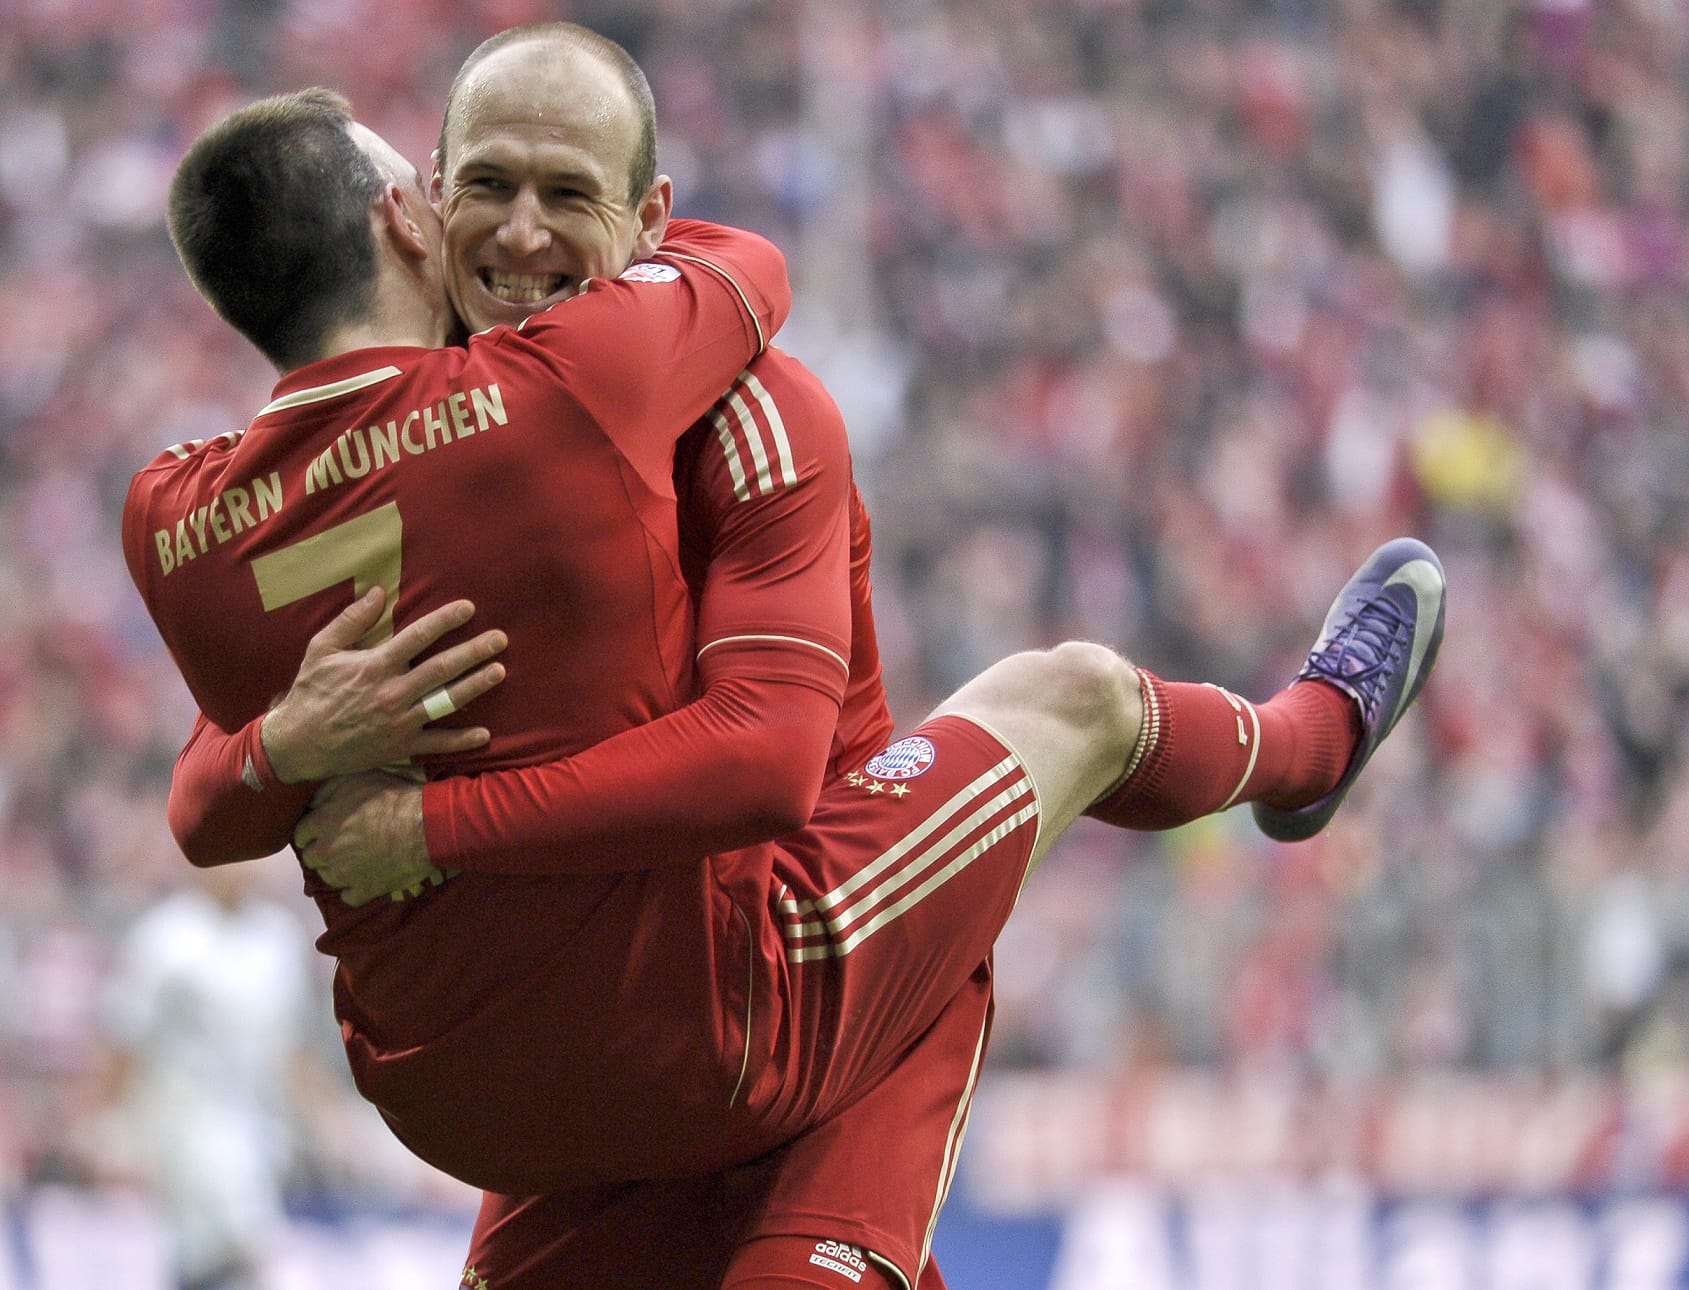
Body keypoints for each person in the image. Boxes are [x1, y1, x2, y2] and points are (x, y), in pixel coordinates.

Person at [132, 31, 1446, 1290]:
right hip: (684, 1026)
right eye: (485, 185)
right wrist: (291, 746)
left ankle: (1310, 744)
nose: (521, 232)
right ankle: (1305, 737)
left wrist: (422, 816)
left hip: (699, 980)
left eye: (565, 195)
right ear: (418, 206)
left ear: (649, 219)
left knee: (1039, 744)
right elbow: (207, 790)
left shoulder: (741, 409)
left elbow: (770, 761)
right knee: (1071, 708)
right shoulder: (496, 413)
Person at [101, 863, 320, 1290]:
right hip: (186, 1129)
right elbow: (123, 1040)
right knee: (253, 1255)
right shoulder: (165, 937)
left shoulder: (279, 937)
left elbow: (293, 1049)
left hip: (262, 1128)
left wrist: (332, 1122)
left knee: (204, 1266)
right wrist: (110, 1124)